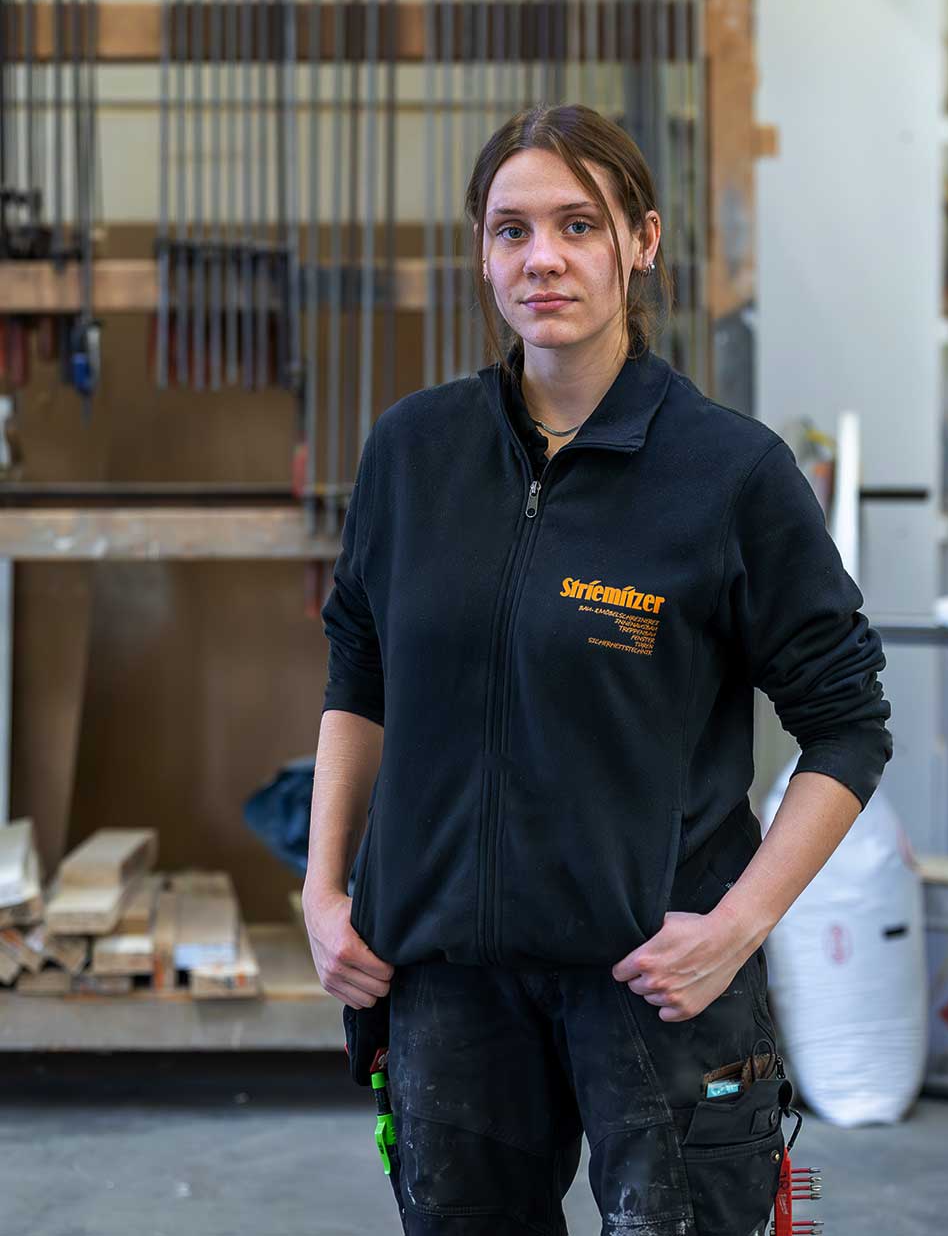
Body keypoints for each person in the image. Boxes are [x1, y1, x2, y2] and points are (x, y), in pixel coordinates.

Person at [303, 103, 892, 1235]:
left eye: (578, 224)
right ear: (483, 255)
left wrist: (737, 927)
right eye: (512, 229)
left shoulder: (729, 474)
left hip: (655, 982)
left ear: (642, 241)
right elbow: (358, 673)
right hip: (447, 983)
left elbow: (849, 724)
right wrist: (326, 893)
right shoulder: (414, 453)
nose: (543, 258)